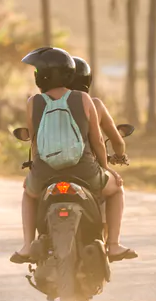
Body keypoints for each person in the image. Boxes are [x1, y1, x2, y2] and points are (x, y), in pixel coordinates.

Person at [11, 47, 136, 265]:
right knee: (116, 188)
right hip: (84, 172)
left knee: (28, 193)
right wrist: (105, 168)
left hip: (45, 174)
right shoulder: (84, 99)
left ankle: (27, 245)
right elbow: (97, 141)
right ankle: (113, 245)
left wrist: (38, 169)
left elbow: (34, 140)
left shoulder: (34, 102)